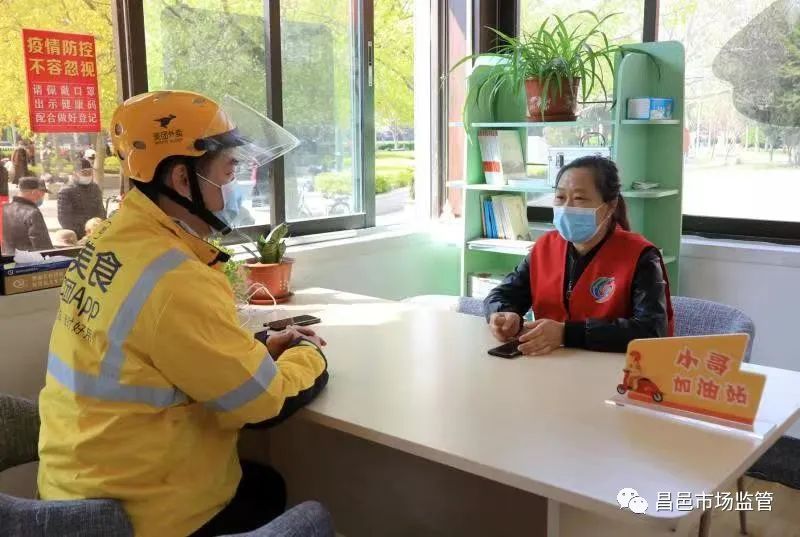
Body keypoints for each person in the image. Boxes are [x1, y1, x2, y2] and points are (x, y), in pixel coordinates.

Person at [38, 90, 326, 537]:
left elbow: (153, 353)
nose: (234, 186)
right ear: (181, 177)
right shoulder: (176, 278)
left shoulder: (111, 238)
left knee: (260, 482)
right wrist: (308, 355)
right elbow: (262, 403)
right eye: (228, 171)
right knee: (268, 489)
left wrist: (258, 348)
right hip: (141, 515)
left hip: (70, 497)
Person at [484, 156, 673, 355]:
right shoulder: (544, 248)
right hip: (550, 365)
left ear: (610, 205)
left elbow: (651, 330)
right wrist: (503, 314)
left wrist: (566, 334)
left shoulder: (641, 256)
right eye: (560, 197)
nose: (566, 207)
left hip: (616, 369)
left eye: (579, 198)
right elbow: (500, 295)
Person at [1, 176, 52, 254]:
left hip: (7, 257)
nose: (43, 196)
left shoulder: (4, 208)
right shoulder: (33, 213)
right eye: (42, 192)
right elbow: (43, 247)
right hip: (27, 259)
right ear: (34, 192)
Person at [56, 163, 105, 239]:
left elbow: (101, 211)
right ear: (75, 173)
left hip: (96, 234)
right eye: (84, 172)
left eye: (90, 172)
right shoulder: (66, 191)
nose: (87, 175)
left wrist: (99, 229)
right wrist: (82, 235)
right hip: (77, 236)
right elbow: (65, 219)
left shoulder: (95, 188)